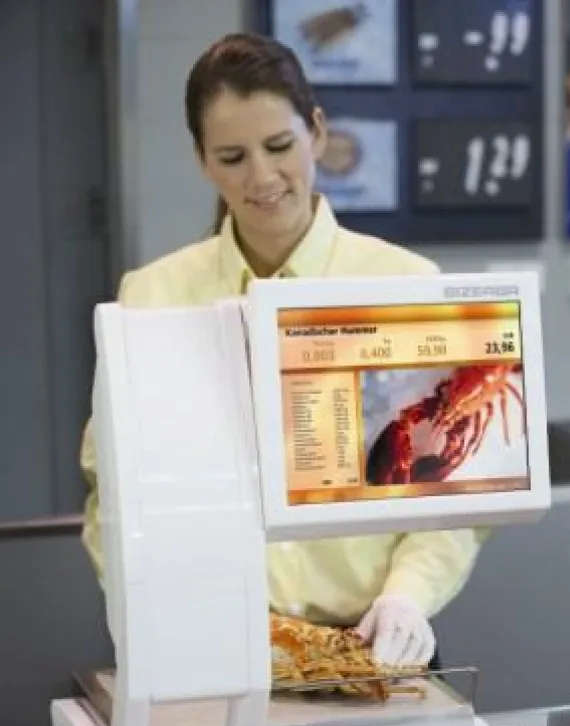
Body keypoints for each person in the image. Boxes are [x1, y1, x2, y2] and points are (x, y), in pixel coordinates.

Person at [80, 32, 488, 669]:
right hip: (214, 645)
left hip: (374, 643)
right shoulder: (153, 296)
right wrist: (152, 606)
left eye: (278, 147)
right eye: (232, 157)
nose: (262, 177)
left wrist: (409, 596)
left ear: (316, 132)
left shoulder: (406, 285)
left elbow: (452, 484)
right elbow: (111, 486)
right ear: (202, 161)